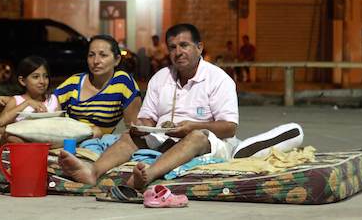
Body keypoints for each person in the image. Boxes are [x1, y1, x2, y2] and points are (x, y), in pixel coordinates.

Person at [58, 23, 239, 190]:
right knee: (129, 136)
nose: (178, 52)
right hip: (164, 137)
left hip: (207, 142)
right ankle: (92, 172)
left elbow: (229, 128)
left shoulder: (219, 79)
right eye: (172, 48)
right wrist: (141, 124)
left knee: (196, 137)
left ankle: (148, 175)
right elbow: (149, 118)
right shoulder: (161, 77)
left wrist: (192, 126)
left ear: (199, 47)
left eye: (184, 45)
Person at [53, 34, 142, 138]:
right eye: (91, 55)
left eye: (103, 55)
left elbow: (134, 128)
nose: (95, 61)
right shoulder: (75, 82)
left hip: (98, 145)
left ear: (117, 60)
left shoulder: (122, 82)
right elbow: (51, 105)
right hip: (68, 139)